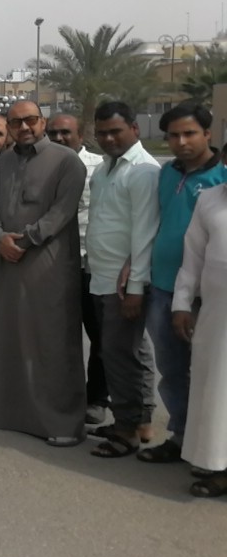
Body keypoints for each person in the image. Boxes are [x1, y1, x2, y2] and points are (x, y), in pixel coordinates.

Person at [0, 100, 87, 446]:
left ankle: (61, 422)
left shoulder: (66, 161)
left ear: (42, 122)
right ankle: (10, 413)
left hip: (48, 263)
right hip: (7, 260)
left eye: (30, 120)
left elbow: (61, 213)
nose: (24, 127)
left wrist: (24, 241)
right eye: (16, 122)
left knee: (52, 341)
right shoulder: (5, 163)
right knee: (8, 336)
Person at [139, 105, 225, 465]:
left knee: (213, 376)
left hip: (208, 298)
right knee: (173, 372)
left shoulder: (220, 180)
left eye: (189, 133)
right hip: (163, 287)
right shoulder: (166, 173)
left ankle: (213, 447)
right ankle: (182, 437)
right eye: (174, 135)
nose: (181, 142)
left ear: (208, 134)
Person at [84, 101, 160, 458]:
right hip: (101, 275)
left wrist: (135, 289)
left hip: (123, 284)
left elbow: (145, 234)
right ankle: (138, 419)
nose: (109, 138)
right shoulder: (104, 169)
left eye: (116, 131)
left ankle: (127, 430)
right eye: (102, 133)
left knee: (118, 354)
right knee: (126, 351)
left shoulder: (143, 171)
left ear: (135, 129)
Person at [47, 112, 109, 423]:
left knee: (99, 335)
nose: (58, 139)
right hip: (55, 264)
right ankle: (61, 394)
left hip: (92, 263)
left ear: (80, 135)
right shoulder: (45, 167)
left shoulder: (100, 167)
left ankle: (97, 398)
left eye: (65, 133)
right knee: (57, 334)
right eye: (53, 133)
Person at [171, 183, 227, 497]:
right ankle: (219, 467)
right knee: (218, 393)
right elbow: (193, 256)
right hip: (218, 317)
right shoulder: (209, 199)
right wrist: (181, 302)